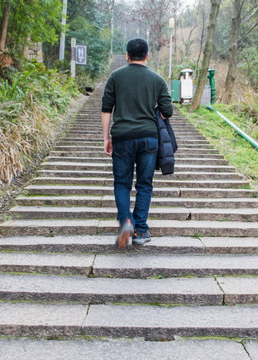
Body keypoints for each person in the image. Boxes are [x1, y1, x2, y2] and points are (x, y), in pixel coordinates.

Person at [101, 38, 173, 249]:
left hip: (122, 137)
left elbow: (106, 109)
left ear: (127, 55)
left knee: (122, 183)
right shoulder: (157, 80)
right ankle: (140, 230)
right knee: (144, 184)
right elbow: (168, 111)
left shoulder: (115, 77)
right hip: (149, 138)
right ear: (147, 56)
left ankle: (126, 222)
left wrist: (106, 138)